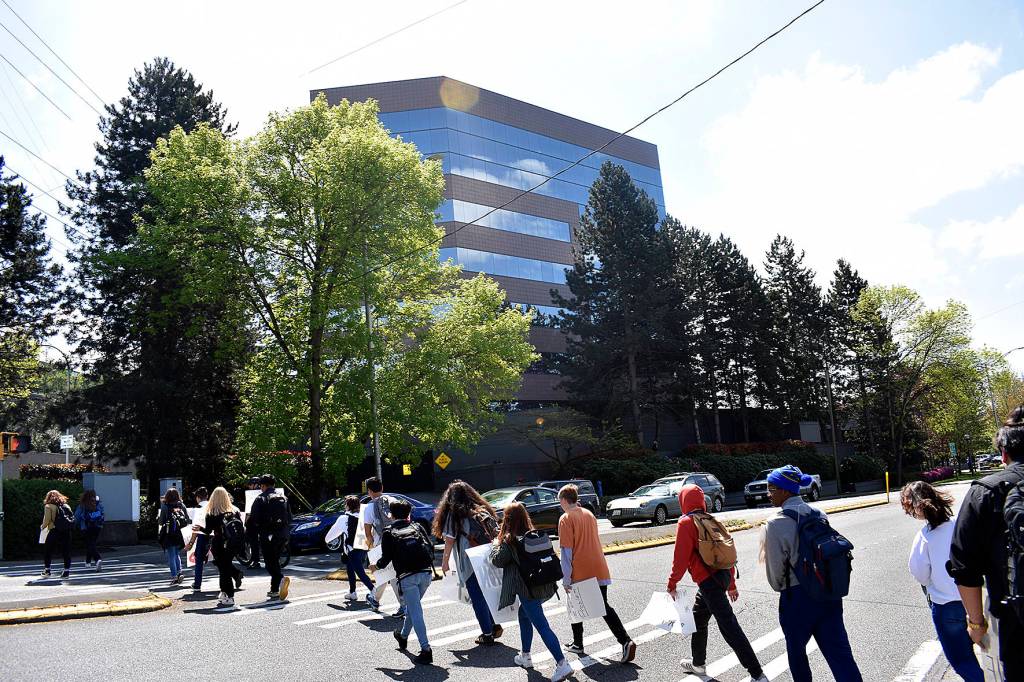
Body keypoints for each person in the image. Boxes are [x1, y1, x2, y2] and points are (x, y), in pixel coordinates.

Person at [760, 465, 862, 682]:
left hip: (797, 598)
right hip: (828, 592)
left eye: (772, 488)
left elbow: (776, 577)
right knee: (841, 655)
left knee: (797, 656)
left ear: (785, 490)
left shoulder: (775, 523)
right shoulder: (819, 513)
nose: (769, 494)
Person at [948, 405, 1024, 679]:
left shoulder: (985, 492)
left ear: (1004, 453)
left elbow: (964, 568)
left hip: (1016, 620)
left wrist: (976, 623)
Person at [668, 484, 766, 681]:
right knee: (698, 619)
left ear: (683, 501)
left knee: (729, 627)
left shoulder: (686, 523)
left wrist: (672, 583)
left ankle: (757, 674)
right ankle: (698, 664)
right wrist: (731, 584)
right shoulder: (712, 520)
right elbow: (726, 553)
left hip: (708, 581)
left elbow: (680, 558)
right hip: (720, 577)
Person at [902, 481, 983, 682]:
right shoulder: (961, 524)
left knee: (961, 659)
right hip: (977, 599)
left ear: (915, 508)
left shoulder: (925, 536)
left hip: (947, 606)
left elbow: (919, 573)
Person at [490, 501, 572, 682]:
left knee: (542, 626)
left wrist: (497, 542)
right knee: (523, 615)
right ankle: (525, 655)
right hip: (546, 586)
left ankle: (562, 663)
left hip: (528, 590)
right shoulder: (534, 534)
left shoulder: (510, 540)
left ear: (508, 519)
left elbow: (497, 560)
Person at [558, 483, 637, 663]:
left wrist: (566, 577)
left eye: (559, 501)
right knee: (591, 606)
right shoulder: (589, 514)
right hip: (599, 567)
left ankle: (625, 640)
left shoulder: (565, 518)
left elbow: (566, 552)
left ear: (564, 500)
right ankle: (578, 643)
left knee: (586, 605)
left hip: (581, 570)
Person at [435, 480, 503, 645]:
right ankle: (493, 625)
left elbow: (449, 541)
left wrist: (444, 563)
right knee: (487, 593)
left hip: (470, 559)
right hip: (488, 556)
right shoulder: (482, 508)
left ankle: (487, 633)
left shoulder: (455, 513)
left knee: (477, 597)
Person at [376, 499, 435, 665]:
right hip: (426, 574)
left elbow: (385, 559)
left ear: (391, 515)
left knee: (416, 612)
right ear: (408, 513)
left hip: (407, 576)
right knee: (412, 607)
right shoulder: (417, 527)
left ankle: (426, 649)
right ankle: (402, 636)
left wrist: (376, 565)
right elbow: (430, 546)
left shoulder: (388, 532)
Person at [247, 473, 292, 601]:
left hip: (268, 535)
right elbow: (289, 517)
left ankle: (281, 578)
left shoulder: (261, 498)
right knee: (275, 560)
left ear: (263, 485)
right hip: (283, 534)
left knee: (269, 563)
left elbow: (254, 519)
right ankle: (274, 590)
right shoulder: (283, 497)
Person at [363, 477, 403, 616]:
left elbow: (368, 531)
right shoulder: (393, 500)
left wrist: (371, 546)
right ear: (382, 487)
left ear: (369, 491)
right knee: (385, 572)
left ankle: (403, 605)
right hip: (399, 539)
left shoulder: (369, 506)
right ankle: (374, 598)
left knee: (388, 574)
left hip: (382, 542)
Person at [203, 486, 244, 608]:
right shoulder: (234, 511)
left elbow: (208, 531)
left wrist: (199, 529)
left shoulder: (212, 513)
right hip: (232, 544)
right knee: (225, 568)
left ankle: (229, 595)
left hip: (219, 543)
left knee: (223, 570)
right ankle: (225, 592)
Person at [339, 495, 375, 603]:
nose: (345, 506)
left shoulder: (347, 517)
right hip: (363, 546)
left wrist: (327, 540)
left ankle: (373, 590)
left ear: (349, 505)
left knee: (359, 571)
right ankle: (352, 592)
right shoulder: (363, 515)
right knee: (350, 568)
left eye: (346, 504)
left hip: (352, 548)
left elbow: (335, 532)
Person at [157, 487, 189, 585]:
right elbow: (187, 519)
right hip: (180, 534)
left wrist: (159, 517)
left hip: (169, 533)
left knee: (171, 555)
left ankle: (174, 576)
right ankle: (179, 572)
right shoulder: (181, 505)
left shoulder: (165, 506)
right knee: (176, 553)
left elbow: (161, 521)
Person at [40, 490, 73, 578]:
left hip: (54, 530)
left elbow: (47, 520)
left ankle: (47, 570)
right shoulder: (66, 506)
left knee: (48, 550)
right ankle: (66, 571)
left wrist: (42, 527)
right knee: (66, 550)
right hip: (66, 530)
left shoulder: (49, 506)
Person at [184, 487, 211, 592]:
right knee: (219, 559)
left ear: (198, 498)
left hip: (203, 536)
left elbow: (196, 528)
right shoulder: (212, 506)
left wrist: (190, 543)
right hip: (216, 535)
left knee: (199, 559)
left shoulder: (198, 509)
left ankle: (197, 583)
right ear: (207, 496)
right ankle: (235, 574)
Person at [74, 489, 105, 571]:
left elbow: (77, 516)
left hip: (86, 527)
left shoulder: (83, 505)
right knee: (92, 543)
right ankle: (88, 562)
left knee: (90, 544)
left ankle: (97, 559)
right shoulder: (97, 503)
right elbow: (102, 513)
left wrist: (74, 525)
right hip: (97, 527)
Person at [246, 476, 262, 569]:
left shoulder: (253, 495)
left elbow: (250, 510)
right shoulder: (264, 492)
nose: (249, 486)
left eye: (250, 484)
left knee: (253, 540)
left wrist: (246, 519)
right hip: (267, 520)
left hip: (255, 521)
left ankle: (256, 561)